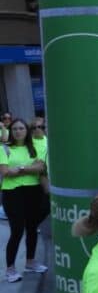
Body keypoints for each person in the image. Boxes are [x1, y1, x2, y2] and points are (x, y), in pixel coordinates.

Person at [0, 118, 48, 282]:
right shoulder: (4, 149)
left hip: (33, 191)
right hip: (12, 193)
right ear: (11, 132)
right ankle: (11, 269)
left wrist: (19, 169)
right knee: (17, 230)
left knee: (32, 228)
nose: (18, 131)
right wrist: (29, 169)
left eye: (21, 128)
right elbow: (5, 172)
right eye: (14, 129)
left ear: (26, 131)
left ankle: (30, 262)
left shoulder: (33, 148)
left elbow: (41, 167)